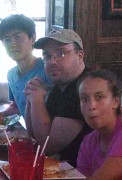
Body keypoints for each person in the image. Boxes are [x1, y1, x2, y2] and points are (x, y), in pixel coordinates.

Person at [25, 28, 88, 166]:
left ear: (80, 55)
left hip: (85, 177)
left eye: (61, 53)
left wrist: (36, 99)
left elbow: (48, 147)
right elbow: (33, 135)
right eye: (47, 56)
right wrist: (31, 96)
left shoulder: (84, 89)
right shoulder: (60, 87)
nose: (52, 61)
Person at [0, 13, 46, 117]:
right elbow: (17, 107)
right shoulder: (11, 74)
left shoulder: (46, 70)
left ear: (32, 38)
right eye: (7, 39)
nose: (13, 44)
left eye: (17, 37)